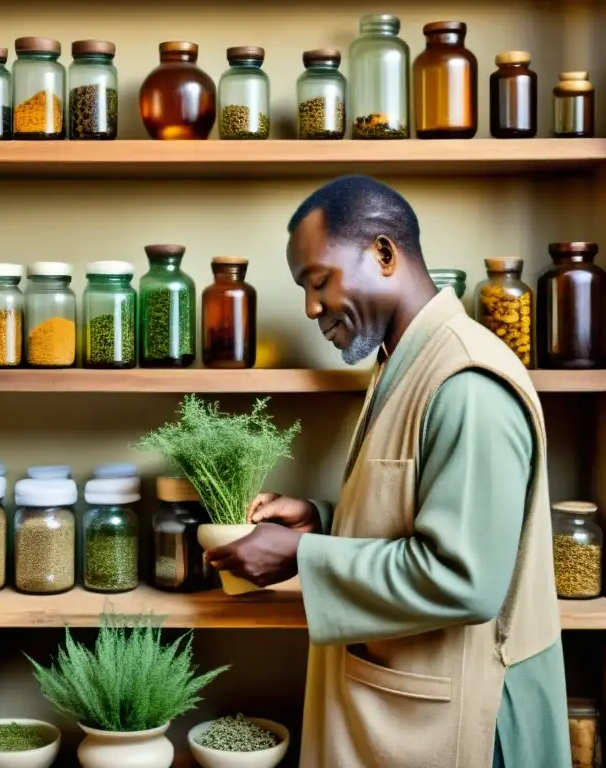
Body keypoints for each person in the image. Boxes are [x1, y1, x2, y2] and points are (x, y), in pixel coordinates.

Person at [204, 176, 570, 768]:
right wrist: (320, 521)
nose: (311, 308)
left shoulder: (467, 382)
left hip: (469, 727)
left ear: (382, 252)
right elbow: (417, 507)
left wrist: (300, 558)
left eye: (319, 281)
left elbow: (464, 577)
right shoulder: (406, 359)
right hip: (415, 707)